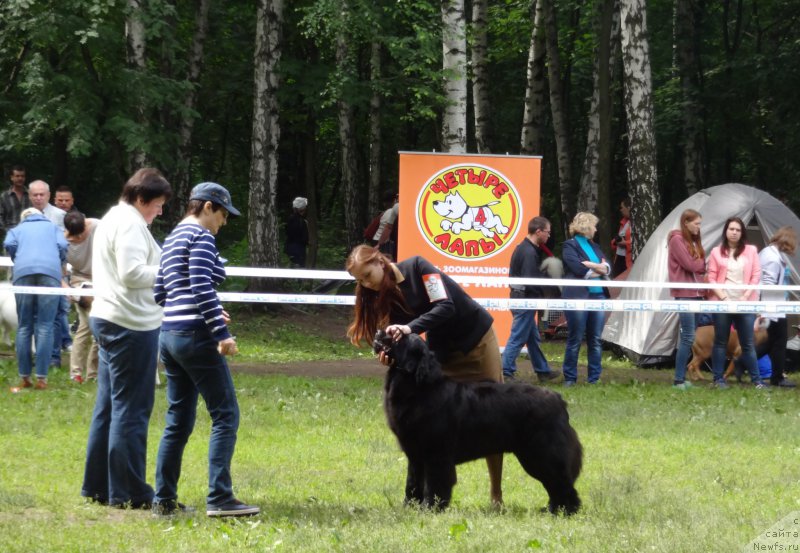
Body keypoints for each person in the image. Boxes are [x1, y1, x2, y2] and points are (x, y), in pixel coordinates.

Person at [346, 245, 505, 506]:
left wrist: (408, 328)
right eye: (359, 280)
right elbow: (400, 341)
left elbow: (445, 307)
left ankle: (496, 494)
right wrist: (390, 355)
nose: (365, 284)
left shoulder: (419, 267)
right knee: (437, 423)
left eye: (366, 275)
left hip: (476, 339)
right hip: (441, 353)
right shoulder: (384, 294)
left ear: (380, 262)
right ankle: (439, 491)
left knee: (493, 416)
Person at [152, 182, 259, 518]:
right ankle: (220, 498)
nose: (223, 223)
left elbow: (160, 291)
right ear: (207, 207)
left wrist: (190, 307)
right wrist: (221, 332)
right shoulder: (200, 237)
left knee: (178, 421)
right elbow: (200, 284)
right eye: (223, 214)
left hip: (169, 335)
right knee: (226, 415)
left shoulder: (171, 239)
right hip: (197, 337)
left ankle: (164, 500)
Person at [81, 168, 171, 509]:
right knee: (131, 410)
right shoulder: (130, 223)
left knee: (108, 408)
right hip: (129, 326)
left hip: (109, 319)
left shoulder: (111, 218)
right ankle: (130, 492)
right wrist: (170, 271)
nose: (160, 211)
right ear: (141, 198)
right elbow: (132, 273)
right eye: (158, 204)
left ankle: (99, 485)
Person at [5, 207, 68, 392]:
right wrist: (58, 261)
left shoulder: (17, 229)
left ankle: (24, 377)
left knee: (24, 326)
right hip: (50, 274)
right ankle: (42, 378)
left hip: (23, 273)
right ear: (41, 216)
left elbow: (9, 244)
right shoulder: (53, 227)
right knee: (45, 325)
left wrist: (18, 259)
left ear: (24, 218)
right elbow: (63, 246)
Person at [706, 217, 764, 389]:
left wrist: (745, 296)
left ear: (742, 233)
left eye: (738, 230)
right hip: (722, 302)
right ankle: (718, 379)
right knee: (720, 341)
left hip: (745, 303)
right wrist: (723, 297)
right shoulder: (716, 251)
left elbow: (756, 275)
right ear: (726, 231)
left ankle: (757, 381)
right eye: (731, 229)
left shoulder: (751, 251)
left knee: (747, 343)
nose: (734, 232)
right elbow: (711, 277)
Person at [501, 216, 561, 382]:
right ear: (538, 231)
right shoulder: (528, 252)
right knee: (518, 336)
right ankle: (505, 372)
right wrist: (545, 285)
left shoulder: (526, 248)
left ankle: (543, 371)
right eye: (547, 232)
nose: (549, 236)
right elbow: (530, 280)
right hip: (525, 299)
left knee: (532, 338)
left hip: (521, 298)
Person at [561, 212, 611, 386]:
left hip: (598, 295)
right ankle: (570, 377)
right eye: (594, 226)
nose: (596, 229)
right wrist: (599, 268)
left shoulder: (595, 246)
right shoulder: (569, 245)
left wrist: (591, 265)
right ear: (587, 226)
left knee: (595, 339)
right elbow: (577, 268)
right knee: (575, 338)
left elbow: (607, 267)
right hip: (577, 295)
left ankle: (594, 378)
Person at [29, 180, 71, 366]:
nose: (38, 198)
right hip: (31, 271)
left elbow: (66, 244)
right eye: (35, 195)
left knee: (56, 314)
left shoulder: (60, 216)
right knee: (34, 315)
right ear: (30, 196)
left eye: (42, 195)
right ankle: (38, 355)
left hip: (56, 272)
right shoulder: (26, 216)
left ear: (48, 195)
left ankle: (54, 357)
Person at [667, 209, 705, 390]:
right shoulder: (676, 240)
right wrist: (704, 263)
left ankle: (681, 377)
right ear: (686, 223)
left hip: (697, 293)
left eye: (700, 224)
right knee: (688, 337)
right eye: (696, 223)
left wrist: (700, 264)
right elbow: (690, 264)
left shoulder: (694, 241)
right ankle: (678, 380)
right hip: (685, 293)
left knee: (688, 337)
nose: (699, 227)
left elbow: (696, 264)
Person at [758, 226, 797, 388]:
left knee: (771, 342)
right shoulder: (773, 258)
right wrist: (766, 311)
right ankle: (777, 377)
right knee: (780, 342)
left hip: (773, 307)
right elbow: (769, 284)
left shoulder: (767, 252)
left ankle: (742, 362)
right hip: (772, 307)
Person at [64, 211, 99, 384]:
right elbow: (59, 271)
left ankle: (83, 373)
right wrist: (68, 290)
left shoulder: (99, 226)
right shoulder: (63, 242)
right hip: (80, 281)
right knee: (92, 325)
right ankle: (87, 373)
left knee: (87, 327)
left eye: (82, 233)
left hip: (101, 280)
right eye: (75, 236)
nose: (79, 238)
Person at [0, 165, 32, 247]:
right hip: (10, 234)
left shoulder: (31, 195)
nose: (20, 178)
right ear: (12, 177)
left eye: (22, 176)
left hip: (28, 234)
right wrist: (7, 231)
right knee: (9, 259)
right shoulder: (4, 196)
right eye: (17, 176)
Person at [373, 192, 399, 260]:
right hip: (384, 241)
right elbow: (388, 228)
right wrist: (380, 245)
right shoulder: (392, 210)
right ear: (394, 200)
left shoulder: (386, 211)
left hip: (378, 238)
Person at [285, 196, 309, 268]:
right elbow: (304, 238)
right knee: (299, 267)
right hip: (298, 249)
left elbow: (287, 233)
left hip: (290, 248)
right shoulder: (302, 221)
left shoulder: (290, 218)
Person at [611, 198, 632, 277]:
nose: (621, 210)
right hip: (619, 257)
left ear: (629, 208)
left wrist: (625, 243)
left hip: (628, 259)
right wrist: (615, 242)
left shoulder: (638, 223)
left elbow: (637, 242)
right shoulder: (624, 222)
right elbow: (619, 236)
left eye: (622, 207)